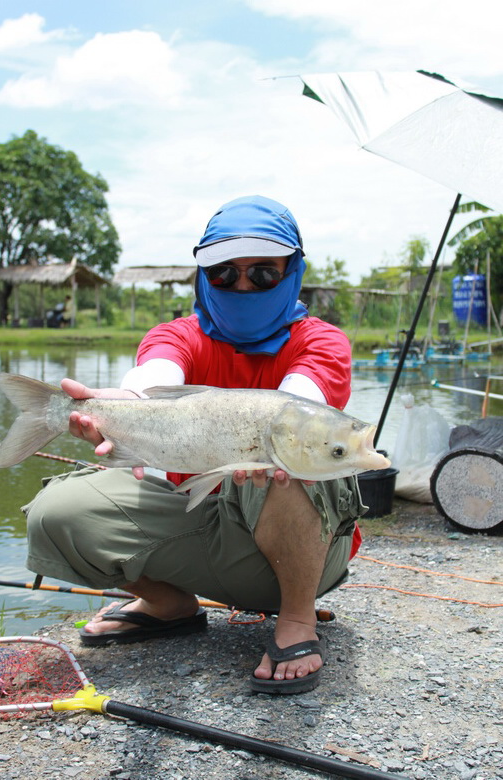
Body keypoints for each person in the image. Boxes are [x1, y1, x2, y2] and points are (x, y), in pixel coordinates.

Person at [23, 195, 366, 695]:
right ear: (205, 277)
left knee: (291, 455)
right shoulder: (176, 335)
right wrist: (107, 406)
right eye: (225, 272)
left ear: (292, 272)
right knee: (56, 511)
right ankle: (169, 604)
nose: (243, 284)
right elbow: (148, 382)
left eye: (264, 273)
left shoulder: (321, 342)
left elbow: (298, 407)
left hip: (301, 557)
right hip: (201, 522)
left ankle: (296, 619)